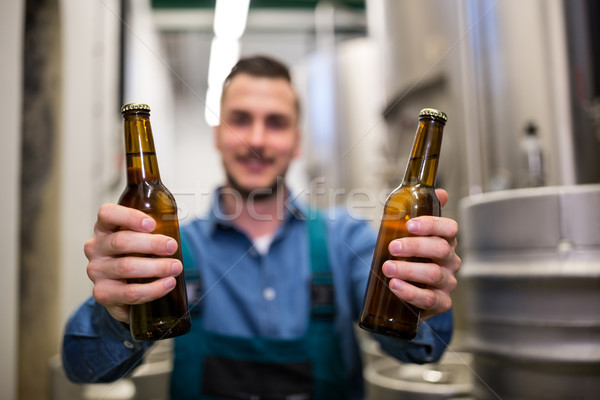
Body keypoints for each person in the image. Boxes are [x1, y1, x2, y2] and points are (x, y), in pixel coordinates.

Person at [62, 55, 460, 399]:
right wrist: (115, 315)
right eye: (240, 120)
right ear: (218, 135)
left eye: (275, 122)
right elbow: (84, 370)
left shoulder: (348, 241)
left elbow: (420, 351)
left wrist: (422, 303)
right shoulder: (167, 247)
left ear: (297, 142)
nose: (256, 139)